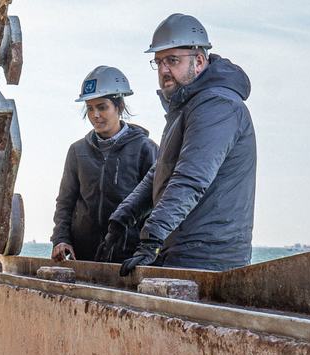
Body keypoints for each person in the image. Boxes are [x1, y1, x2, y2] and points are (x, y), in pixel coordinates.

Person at [101, 13, 257, 274]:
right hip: (185, 247)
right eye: (159, 61)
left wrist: (151, 237)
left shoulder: (217, 105)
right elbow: (162, 170)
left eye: (172, 60)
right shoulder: (187, 107)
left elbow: (191, 178)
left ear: (198, 60)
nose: (163, 70)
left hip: (209, 255)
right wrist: (123, 217)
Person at [50, 66, 158, 263]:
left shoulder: (146, 149)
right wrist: (61, 238)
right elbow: (65, 202)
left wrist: (147, 249)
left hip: (128, 258)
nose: (95, 115)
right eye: (90, 108)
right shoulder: (77, 151)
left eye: (102, 107)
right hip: (82, 257)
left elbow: (158, 203)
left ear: (119, 106)